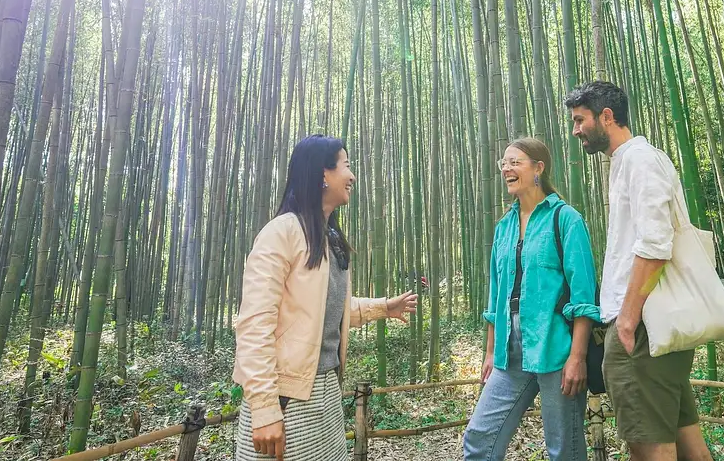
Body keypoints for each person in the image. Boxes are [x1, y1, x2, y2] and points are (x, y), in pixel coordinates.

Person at [232, 135, 418, 461]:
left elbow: (322, 312)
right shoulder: (282, 233)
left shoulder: (328, 238)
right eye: (346, 165)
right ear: (323, 173)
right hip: (285, 400)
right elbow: (254, 325)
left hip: (325, 395)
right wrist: (263, 408)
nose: (353, 176)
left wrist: (382, 308)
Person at [565, 82, 712, 461]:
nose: (576, 129)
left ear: (607, 117)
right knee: (688, 445)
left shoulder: (639, 160)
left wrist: (627, 320)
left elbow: (655, 244)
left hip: (643, 325)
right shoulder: (630, 161)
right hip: (651, 326)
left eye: (580, 120)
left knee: (648, 447)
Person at [463, 138, 600, 461]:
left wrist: (577, 357)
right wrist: (489, 350)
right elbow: (497, 294)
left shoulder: (566, 219)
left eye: (515, 162)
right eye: (503, 164)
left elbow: (583, 296)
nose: (506, 169)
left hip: (557, 347)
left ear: (539, 168)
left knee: (563, 449)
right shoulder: (504, 227)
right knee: (479, 440)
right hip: (510, 352)